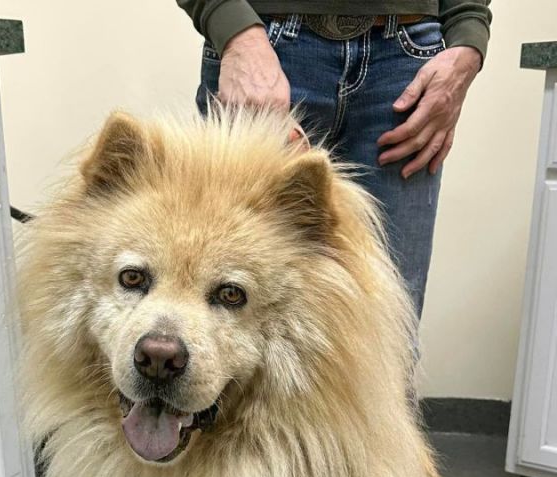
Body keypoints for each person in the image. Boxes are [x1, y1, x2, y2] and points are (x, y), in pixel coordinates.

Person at [176, 1, 490, 320]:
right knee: (216, 311)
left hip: (405, 60)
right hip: (263, 44)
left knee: (388, 344)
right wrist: (235, 32)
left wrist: (469, 33)